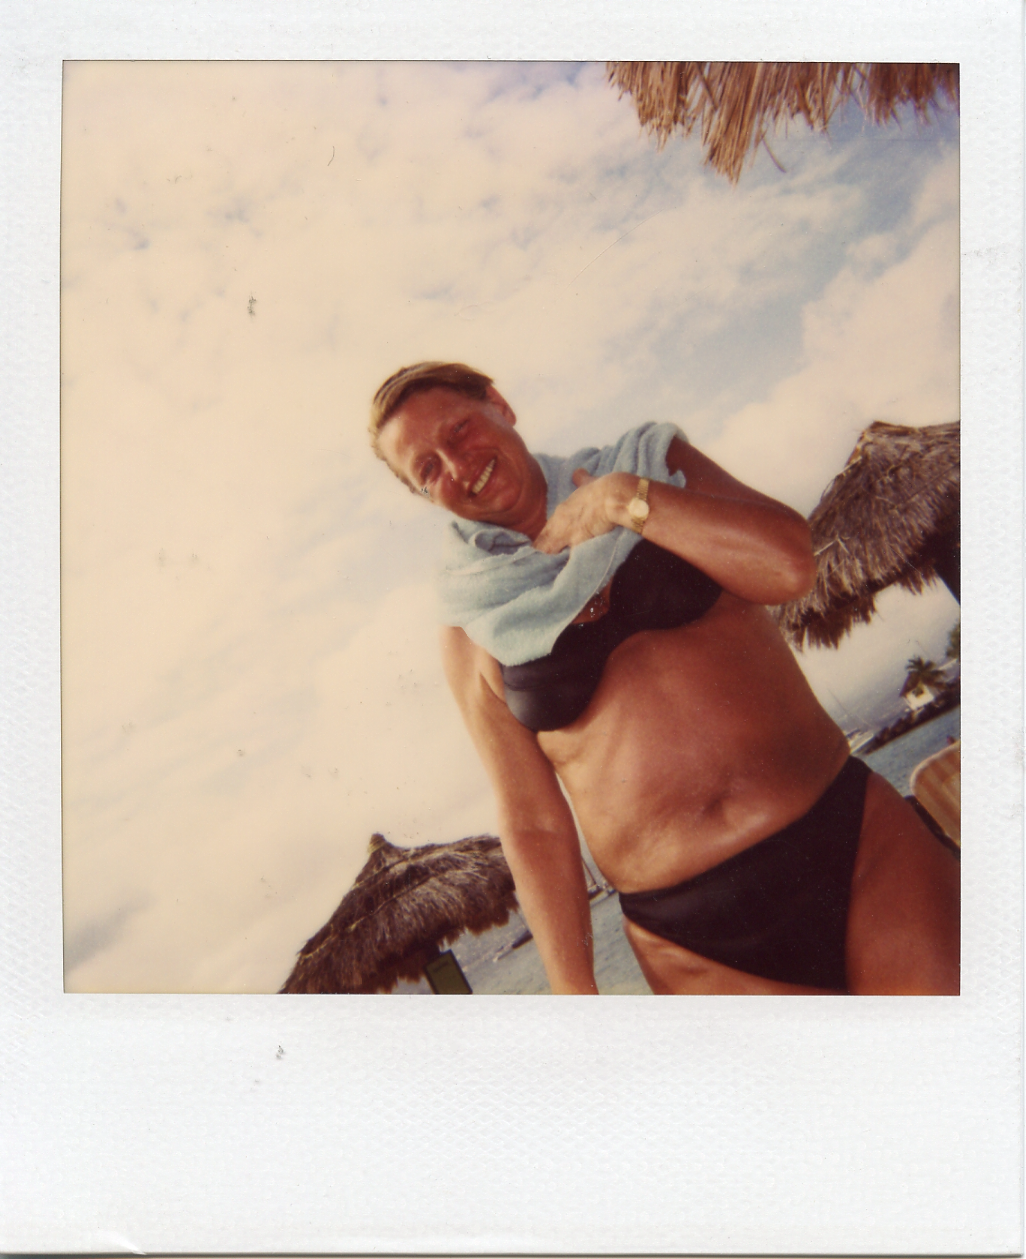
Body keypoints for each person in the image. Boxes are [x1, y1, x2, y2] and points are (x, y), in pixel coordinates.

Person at [370, 362, 961, 995]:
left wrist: (629, 502)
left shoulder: (649, 461)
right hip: (692, 943)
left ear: (499, 405)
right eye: (427, 469)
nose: (456, 467)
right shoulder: (469, 628)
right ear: (423, 494)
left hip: (854, 845)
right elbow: (533, 822)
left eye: (458, 431)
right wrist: (575, 995)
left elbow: (791, 565)